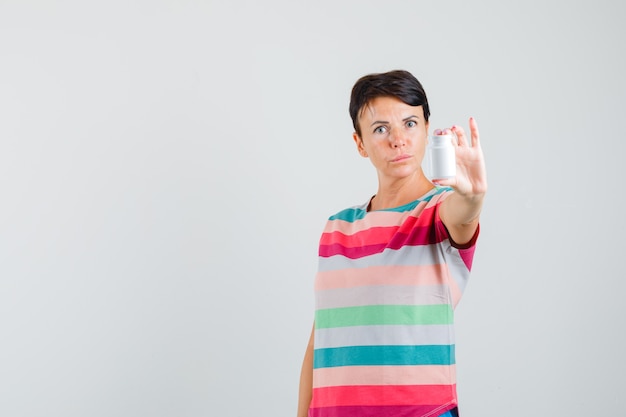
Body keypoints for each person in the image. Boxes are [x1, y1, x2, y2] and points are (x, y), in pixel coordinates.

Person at [297, 69, 487, 417]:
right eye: (381, 129)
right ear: (360, 143)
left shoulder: (437, 211)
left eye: (410, 123)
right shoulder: (337, 227)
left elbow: (463, 216)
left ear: (427, 129)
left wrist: (474, 197)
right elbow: (320, 340)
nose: (398, 139)